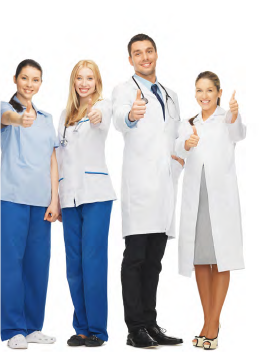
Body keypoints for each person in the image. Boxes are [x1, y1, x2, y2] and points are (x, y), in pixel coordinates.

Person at [112, 34, 184, 348]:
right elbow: (119, 118)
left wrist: (183, 151)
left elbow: (177, 133)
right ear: (130, 59)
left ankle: (151, 324)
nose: (144, 57)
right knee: (136, 258)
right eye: (137, 53)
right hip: (140, 186)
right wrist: (130, 115)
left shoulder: (171, 94)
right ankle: (134, 329)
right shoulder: (125, 90)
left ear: (156, 53)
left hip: (165, 186)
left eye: (149, 51)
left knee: (155, 261)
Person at [175, 71, 246, 350]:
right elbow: (178, 149)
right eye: (199, 90)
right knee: (200, 259)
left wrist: (234, 114)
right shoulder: (188, 123)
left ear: (218, 92)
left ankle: (212, 325)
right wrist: (186, 143)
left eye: (209, 90)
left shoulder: (226, 119)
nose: (204, 96)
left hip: (221, 199)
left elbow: (238, 132)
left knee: (221, 259)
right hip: (197, 198)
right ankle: (208, 322)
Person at [56, 60, 116, 348]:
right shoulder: (65, 116)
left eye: (89, 78)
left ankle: (97, 330)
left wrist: (95, 113)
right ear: (73, 81)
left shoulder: (102, 107)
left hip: (96, 196)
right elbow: (57, 158)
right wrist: (55, 199)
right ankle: (80, 328)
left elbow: (101, 117)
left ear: (96, 81)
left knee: (93, 262)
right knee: (74, 265)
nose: (84, 83)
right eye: (79, 78)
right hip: (69, 198)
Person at [0, 59, 58, 349]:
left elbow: (52, 160)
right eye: (25, 78)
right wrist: (18, 118)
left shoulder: (47, 118)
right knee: (10, 264)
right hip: (11, 198)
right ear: (15, 79)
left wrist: (55, 199)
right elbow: (6, 119)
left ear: (40, 83)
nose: (29, 84)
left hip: (41, 202)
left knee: (38, 265)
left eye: (35, 79)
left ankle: (33, 326)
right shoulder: (5, 108)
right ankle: (12, 329)